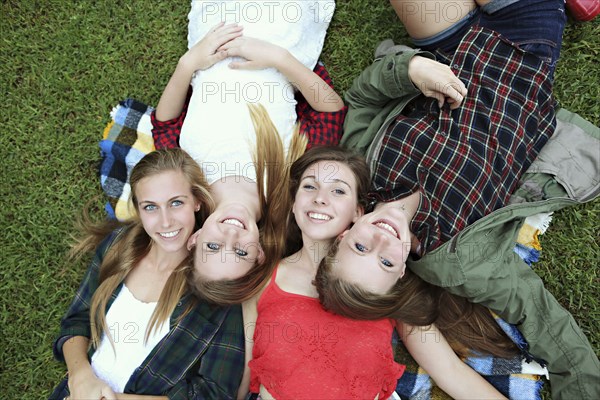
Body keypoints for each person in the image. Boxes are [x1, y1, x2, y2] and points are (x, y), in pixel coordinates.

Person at [315, 0, 600, 399]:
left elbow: (362, 98)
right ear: (401, 272)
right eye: (384, 260)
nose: (380, 240)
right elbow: (545, 321)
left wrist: (413, 70)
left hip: (449, 47)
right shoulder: (461, 261)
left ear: (344, 234)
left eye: (360, 247)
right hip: (521, 53)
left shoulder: (361, 171)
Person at [238, 146, 512, 400]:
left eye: (339, 191)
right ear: (294, 204)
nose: (320, 199)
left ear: (358, 213)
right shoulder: (262, 280)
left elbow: (450, 372)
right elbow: (243, 372)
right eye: (310, 187)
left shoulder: (382, 283)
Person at [152, 1, 345, 304]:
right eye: (240, 252)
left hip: (215, 30)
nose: (230, 236)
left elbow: (165, 125)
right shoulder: (287, 188)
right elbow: (331, 112)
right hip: (282, 30)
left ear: (194, 239)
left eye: (213, 247)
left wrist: (188, 64)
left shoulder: (186, 188)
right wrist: (279, 58)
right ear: (259, 254)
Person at [49, 149, 245, 400]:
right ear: (139, 211)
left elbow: (215, 392)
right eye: (151, 207)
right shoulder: (118, 246)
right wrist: (80, 377)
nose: (165, 222)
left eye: (176, 203)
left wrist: (113, 398)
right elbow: (76, 320)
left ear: (196, 201)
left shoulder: (219, 281)